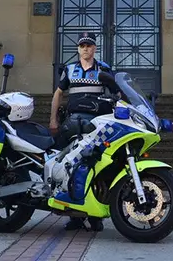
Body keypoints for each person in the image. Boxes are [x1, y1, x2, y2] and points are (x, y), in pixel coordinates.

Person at [49, 31, 114, 231]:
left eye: (89, 45)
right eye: (82, 46)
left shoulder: (104, 69)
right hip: (72, 124)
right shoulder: (69, 70)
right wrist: (53, 120)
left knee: (98, 167)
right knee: (69, 165)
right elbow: (58, 93)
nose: (86, 49)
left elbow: (116, 93)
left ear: (95, 48)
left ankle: (95, 217)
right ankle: (74, 215)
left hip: (97, 126)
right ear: (78, 49)